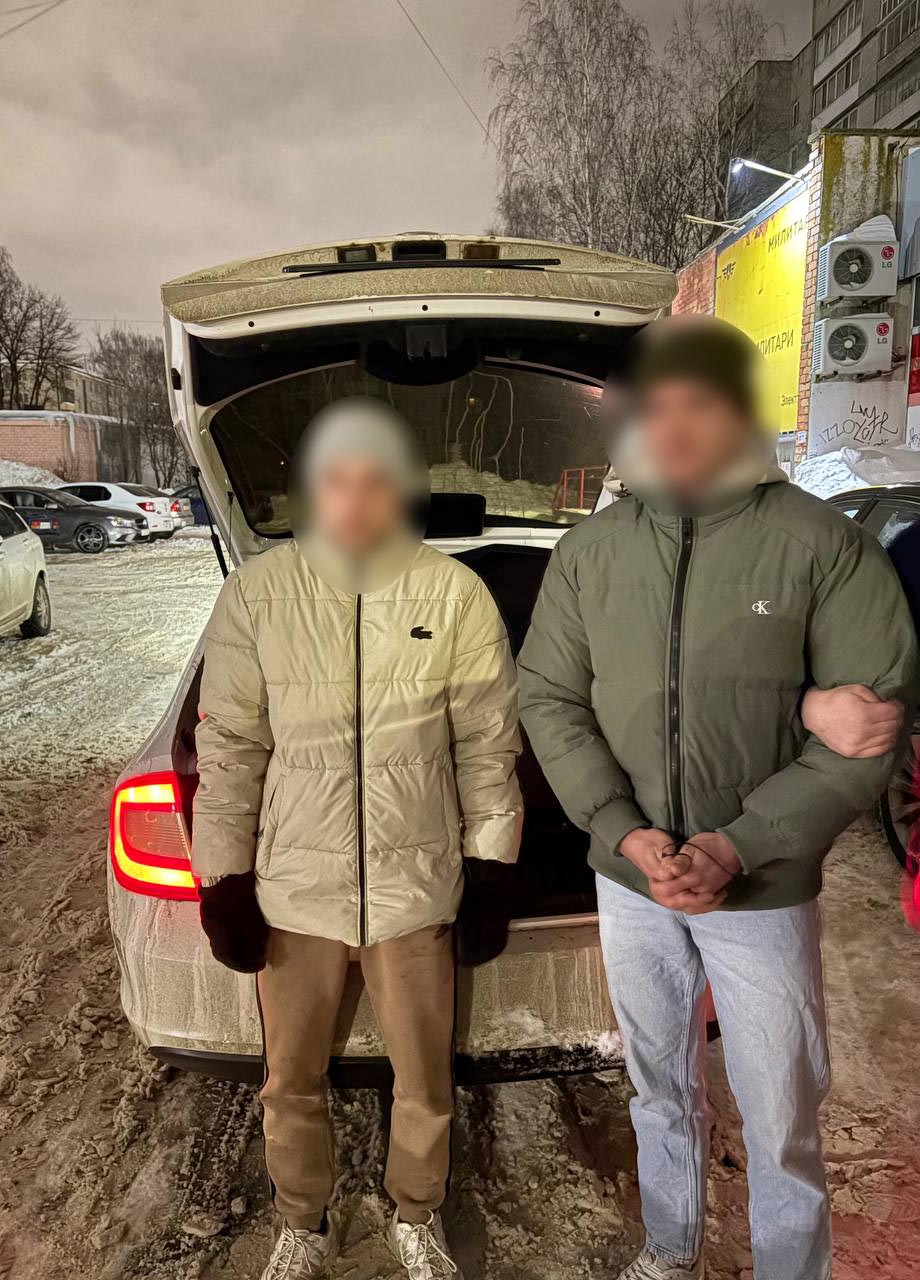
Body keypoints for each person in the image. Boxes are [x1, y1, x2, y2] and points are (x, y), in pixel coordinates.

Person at [517, 317, 917, 1280]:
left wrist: (738, 846)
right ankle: (669, 1247)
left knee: (780, 1112)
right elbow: (549, 697)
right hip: (632, 881)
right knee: (658, 1085)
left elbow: (871, 725)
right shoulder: (589, 553)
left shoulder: (822, 547)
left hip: (762, 889)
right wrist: (625, 833)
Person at [191, 397, 523, 1280]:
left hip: (416, 889)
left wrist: (490, 864)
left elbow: (487, 746)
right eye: (337, 478)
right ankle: (302, 1220)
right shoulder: (257, 594)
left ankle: (417, 1213)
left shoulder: (453, 595)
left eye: (375, 479)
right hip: (295, 893)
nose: (355, 497)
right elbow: (230, 750)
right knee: (288, 1081)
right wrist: (222, 878)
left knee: (425, 1082)